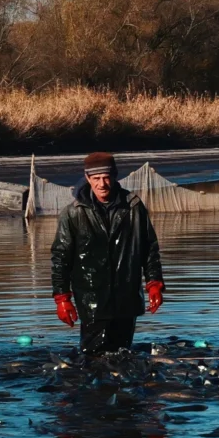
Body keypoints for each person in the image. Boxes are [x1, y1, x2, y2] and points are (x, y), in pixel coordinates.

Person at [50, 152, 165, 356]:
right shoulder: (73, 212)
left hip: (127, 297)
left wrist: (154, 282)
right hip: (91, 298)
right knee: (92, 358)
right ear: (87, 178)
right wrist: (62, 298)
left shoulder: (134, 207)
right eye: (96, 179)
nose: (102, 184)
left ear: (115, 176)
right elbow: (60, 257)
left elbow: (149, 247)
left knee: (123, 357)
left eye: (106, 177)